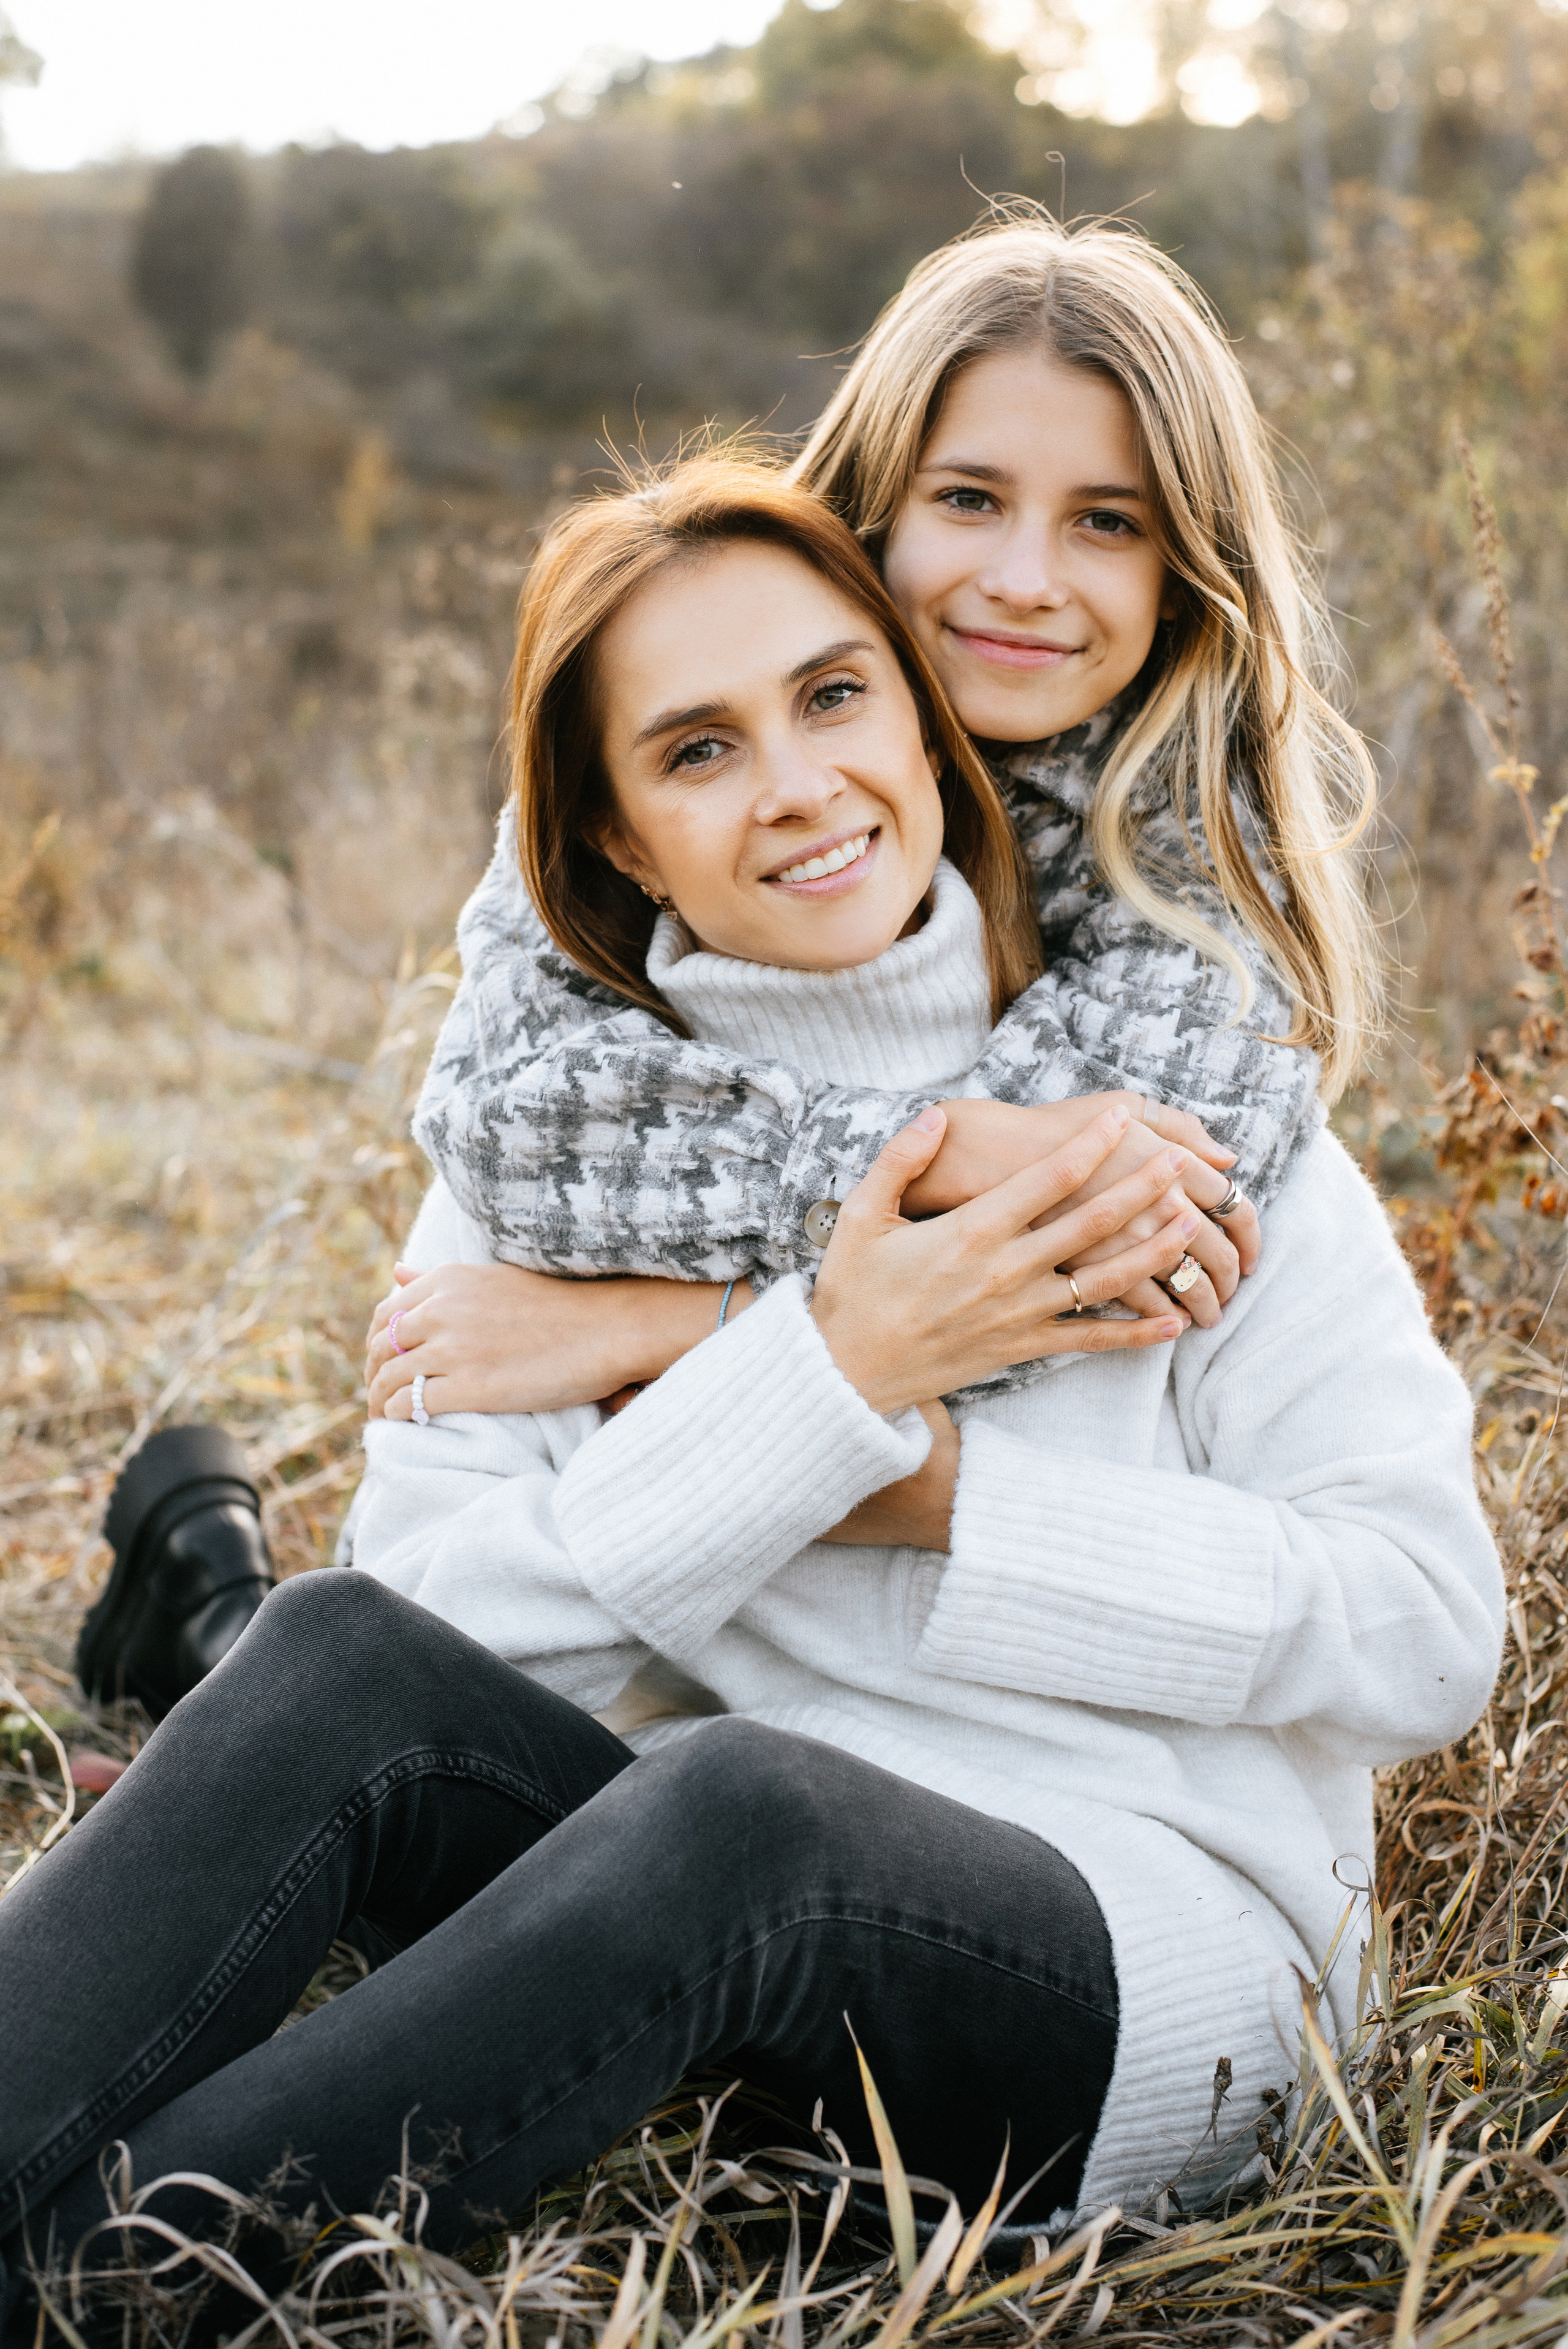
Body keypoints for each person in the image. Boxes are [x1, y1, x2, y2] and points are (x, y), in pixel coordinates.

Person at [1, 465, 1501, 2336]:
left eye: (834, 695)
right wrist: (819, 1377)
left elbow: (1430, 1630)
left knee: (747, 1806)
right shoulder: (550, 1173)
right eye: (695, 750)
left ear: (928, 723)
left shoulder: (1177, 1124)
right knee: (321, 1650)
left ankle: (72, 2301)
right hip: (681, 1933)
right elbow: (441, 1647)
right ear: (616, 836)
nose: (795, 783)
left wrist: (938, 1488)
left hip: (1147, 1961)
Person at [371, 206, 1378, 1431]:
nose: (1021, 579)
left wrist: (646, 1325)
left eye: (1104, 521)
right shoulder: (688, 744)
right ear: (875, 502)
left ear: (1179, 573)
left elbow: (1121, 1260)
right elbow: (506, 1127)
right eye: (966, 499)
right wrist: (951, 1146)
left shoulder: (1203, 859)